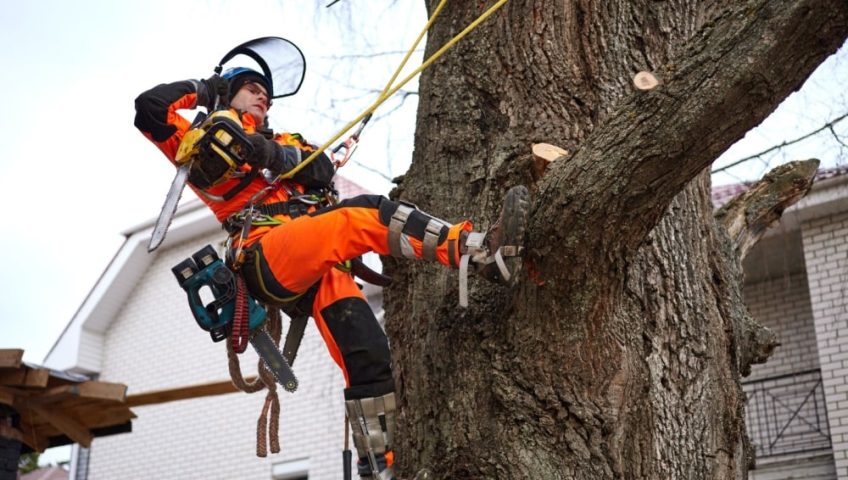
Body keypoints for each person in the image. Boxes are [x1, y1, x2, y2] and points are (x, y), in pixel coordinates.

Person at [134, 66, 529, 480]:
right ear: (228, 93)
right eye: (251, 89)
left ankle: (377, 465)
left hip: (316, 261)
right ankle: (477, 252)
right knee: (364, 215)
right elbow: (150, 108)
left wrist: (269, 152)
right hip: (264, 252)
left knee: (367, 351)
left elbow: (321, 168)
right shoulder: (201, 142)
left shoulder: (285, 142)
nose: (262, 96)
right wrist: (204, 90)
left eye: (267, 93)